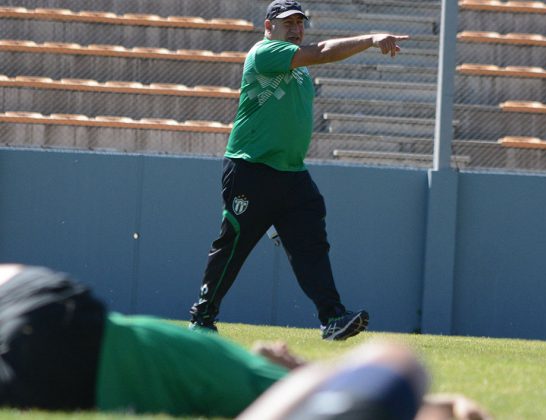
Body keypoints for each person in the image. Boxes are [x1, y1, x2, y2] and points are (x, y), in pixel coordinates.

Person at [0, 264, 492, 419]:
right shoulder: (280, 389)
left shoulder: (280, 401)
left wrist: (307, 373)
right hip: (67, 343)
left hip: (72, 344)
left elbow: (393, 365)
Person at [188, 0, 410, 339]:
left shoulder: (299, 68)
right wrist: (371, 38)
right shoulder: (265, 53)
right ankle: (202, 317)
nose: (296, 28)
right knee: (233, 245)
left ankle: (333, 318)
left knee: (311, 246)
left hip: (291, 174)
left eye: (300, 23)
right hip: (251, 167)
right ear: (268, 27)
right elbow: (321, 50)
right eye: (287, 22)